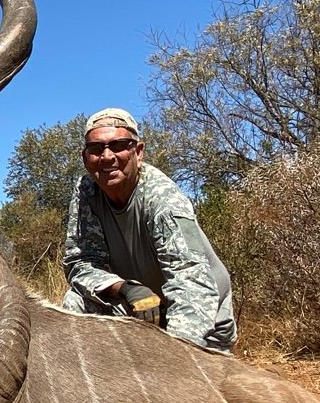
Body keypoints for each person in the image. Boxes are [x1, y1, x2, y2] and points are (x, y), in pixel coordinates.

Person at [61, 107, 237, 353]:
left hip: (201, 318)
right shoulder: (87, 191)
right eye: (96, 149)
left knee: (189, 383)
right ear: (85, 158)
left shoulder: (163, 198)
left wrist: (173, 355)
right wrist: (126, 288)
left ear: (138, 152)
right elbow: (81, 262)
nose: (107, 156)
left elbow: (191, 281)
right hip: (140, 308)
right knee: (76, 302)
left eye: (119, 145)